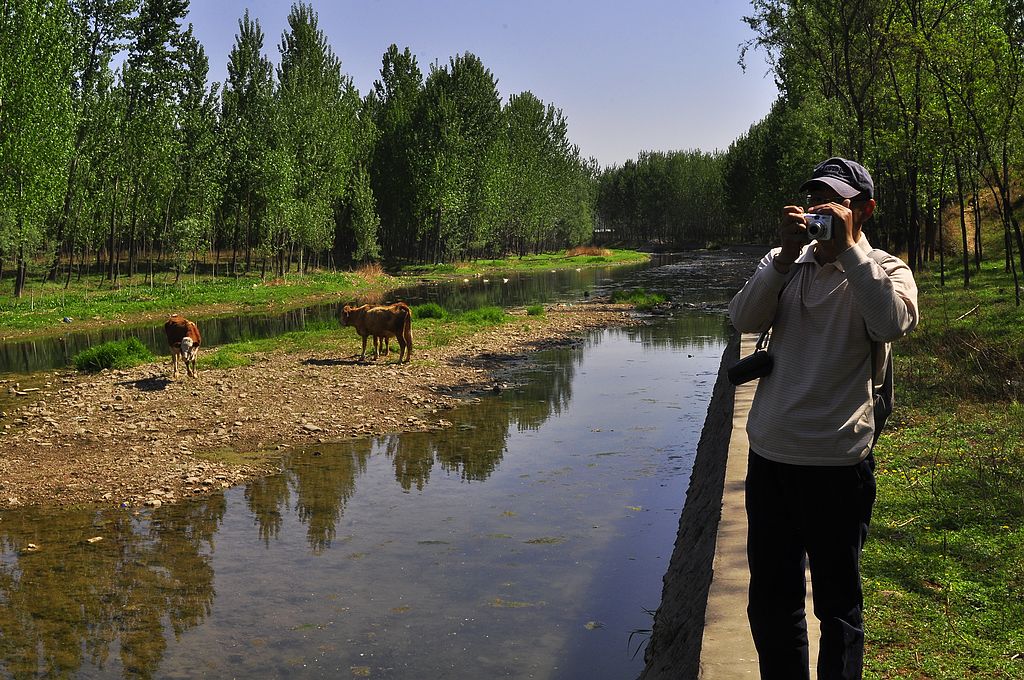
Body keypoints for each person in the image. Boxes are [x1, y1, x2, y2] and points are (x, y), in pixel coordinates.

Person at [728, 157, 919, 680]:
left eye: (835, 202)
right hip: (771, 459)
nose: (821, 212)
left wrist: (851, 253)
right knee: (771, 606)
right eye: (815, 201)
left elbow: (891, 324)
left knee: (837, 610)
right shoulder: (784, 262)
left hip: (837, 465)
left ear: (865, 210)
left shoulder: (886, 269)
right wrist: (784, 259)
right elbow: (743, 320)